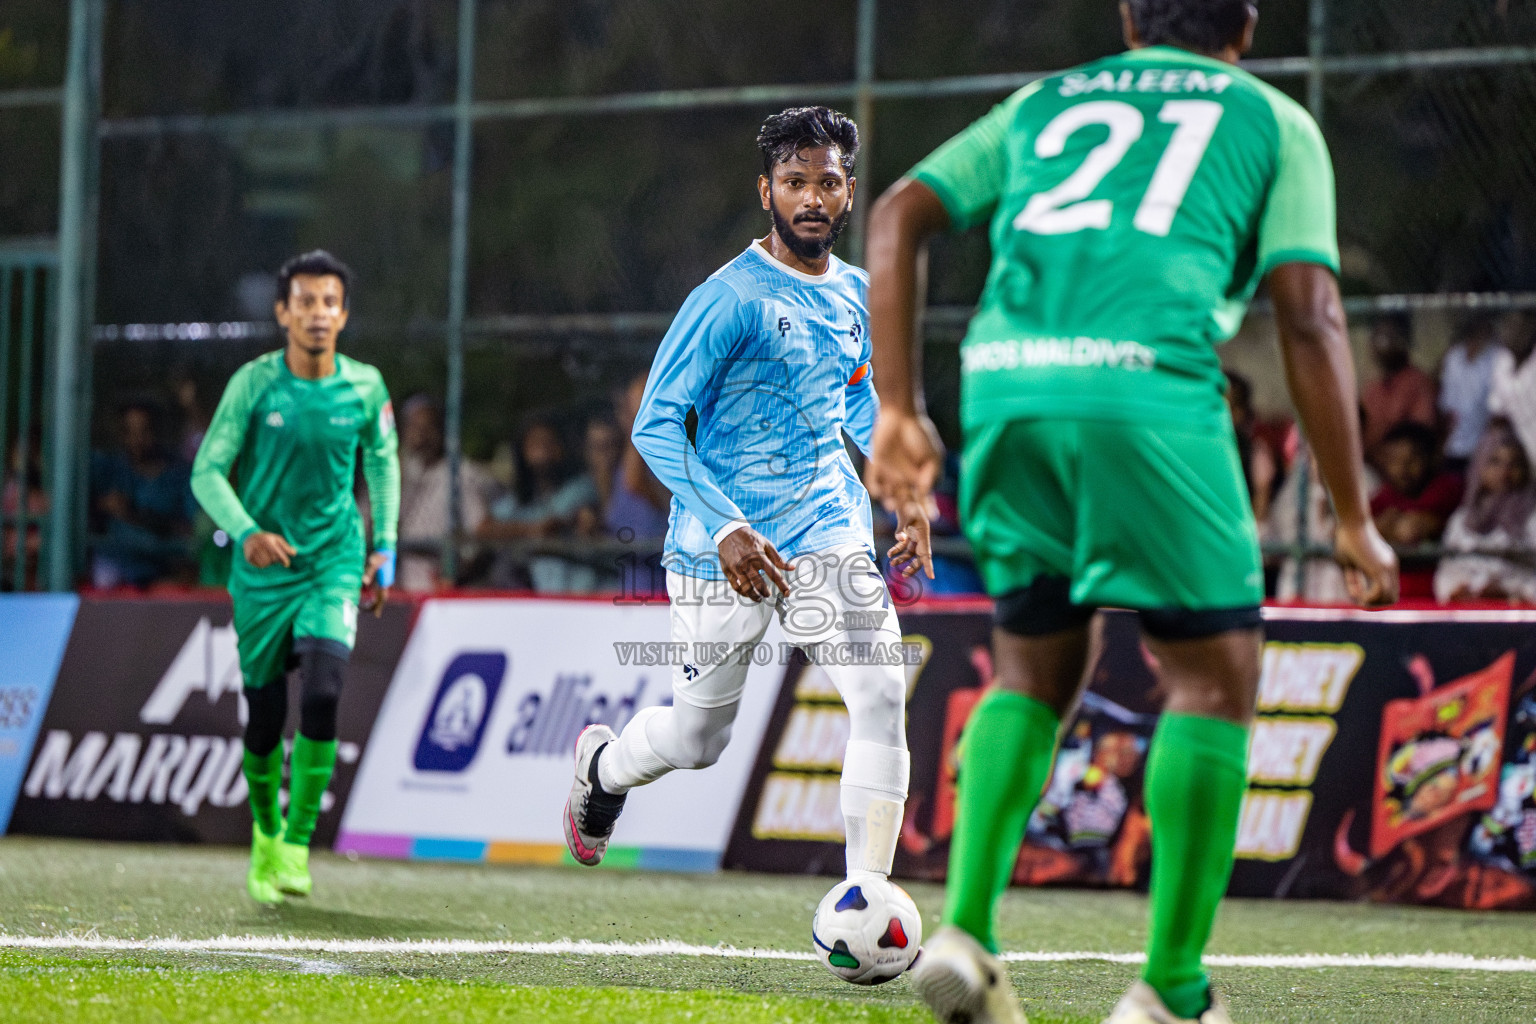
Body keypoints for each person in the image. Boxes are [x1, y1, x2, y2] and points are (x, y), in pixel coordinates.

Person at [863, 2, 1399, 1022]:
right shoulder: (1276, 120)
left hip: (1008, 385)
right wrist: (1351, 512)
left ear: (1128, 17)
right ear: (1243, 23)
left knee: (1030, 667)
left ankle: (968, 930)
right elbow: (1311, 310)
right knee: (1216, 675)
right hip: (1149, 394)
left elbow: (896, 214)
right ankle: (1174, 991)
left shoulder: (1043, 101)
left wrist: (896, 407)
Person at [562, 108, 934, 916]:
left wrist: (901, 488)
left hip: (828, 529)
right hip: (718, 546)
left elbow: (858, 396)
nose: (811, 197)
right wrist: (727, 526)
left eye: (827, 182)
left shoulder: (859, 293)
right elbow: (655, 423)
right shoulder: (725, 298)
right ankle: (603, 770)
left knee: (878, 691)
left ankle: (866, 901)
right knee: (699, 741)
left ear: (847, 192)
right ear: (766, 190)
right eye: (795, 182)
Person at [191, 250, 399, 906]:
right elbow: (207, 471)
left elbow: (383, 466)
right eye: (305, 301)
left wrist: (384, 547)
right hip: (261, 573)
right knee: (265, 715)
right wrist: (246, 531)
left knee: (323, 692)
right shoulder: (253, 384)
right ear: (283, 312)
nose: (317, 313)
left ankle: (297, 845)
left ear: (343, 314)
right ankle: (265, 832)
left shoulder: (365, 386)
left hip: (333, 562)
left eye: (329, 302)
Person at [479, 416, 601, 592]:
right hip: (543, 595)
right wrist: (529, 530)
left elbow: (557, 522)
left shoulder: (582, 487)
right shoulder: (518, 499)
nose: (543, 450)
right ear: (522, 451)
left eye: (550, 442)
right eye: (535, 444)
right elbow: (484, 529)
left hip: (581, 592)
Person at [90, 401, 197, 588]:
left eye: (144, 431)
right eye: (129, 432)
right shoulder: (110, 469)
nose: (137, 440)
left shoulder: (179, 475)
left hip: (165, 572)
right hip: (115, 574)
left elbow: (189, 529)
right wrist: (101, 506)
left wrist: (133, 514)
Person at [396, 393, 492, 592]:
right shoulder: (403, 472)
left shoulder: (460, 473)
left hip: (441, 593)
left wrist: (458, 574)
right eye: (414, 427)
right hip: (403, 591)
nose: (421, 435)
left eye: (428, 427)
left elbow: (480, 532)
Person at [1434, 423, 1536, 603]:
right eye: (1495, 461)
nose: (1505, 472)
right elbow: (1446, 573)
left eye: (1515, 463)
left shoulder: (1532, 519)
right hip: (1468, 613)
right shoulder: (1462, 519)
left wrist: (1510, 593)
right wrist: (1460, 590)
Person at [1371, 421, 1463, 599]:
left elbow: (1413, 530)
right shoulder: (1381, 497)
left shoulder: (1448, 490)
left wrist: (1387, 528)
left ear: (1431, 459)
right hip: (1391, 596)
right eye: (1395, 459)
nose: (1403, 468)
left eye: (1412, 459)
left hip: (1435, 597)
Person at [1438, 314, 1509, 474]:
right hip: (1453, 449)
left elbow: (1500, 411)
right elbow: (1446, 406)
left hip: (1487, 450)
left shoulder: (1499, 357)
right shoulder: (1454, 356)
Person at [1361, 313, 1437, 453]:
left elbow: (1420, 438)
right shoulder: (1372, 388)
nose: (1380, 345)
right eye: (1376, 338)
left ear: (1404, 341)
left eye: (1387, 338)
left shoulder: (1418, 383)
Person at [1489, 309, 1536, 464]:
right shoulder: (1502, 360)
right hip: (1518, 456)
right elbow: (1497, 412)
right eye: (1509, 325)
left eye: (1521, 326)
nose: (1514, 331)